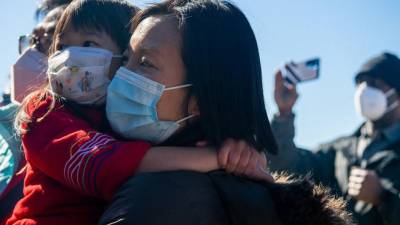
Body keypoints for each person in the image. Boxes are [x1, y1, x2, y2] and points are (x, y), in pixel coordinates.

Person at [7, 1, 268, 225]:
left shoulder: (120, 114)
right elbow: (103, 162)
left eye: (88, 43)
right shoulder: (43, 111)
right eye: (61, 46)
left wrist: (237, 151)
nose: (69, 57)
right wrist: (215, 158)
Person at [98, 0, 353, 224]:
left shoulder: (154, 197)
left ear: (199, 100)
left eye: (145, 63)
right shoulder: (255, 194)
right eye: (125, 58)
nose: (120, 75)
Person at [270, 52, 400, 225]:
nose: (364, 91)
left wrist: (384, 197)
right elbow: (288, 167)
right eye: (361, 83)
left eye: (374, 84)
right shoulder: (339, 150)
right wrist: (284, 115)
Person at [0, 3, 68, 224]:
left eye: (45, 41)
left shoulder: (83, 145)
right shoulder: (4, 132)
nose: (30, 53)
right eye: (31, 41)